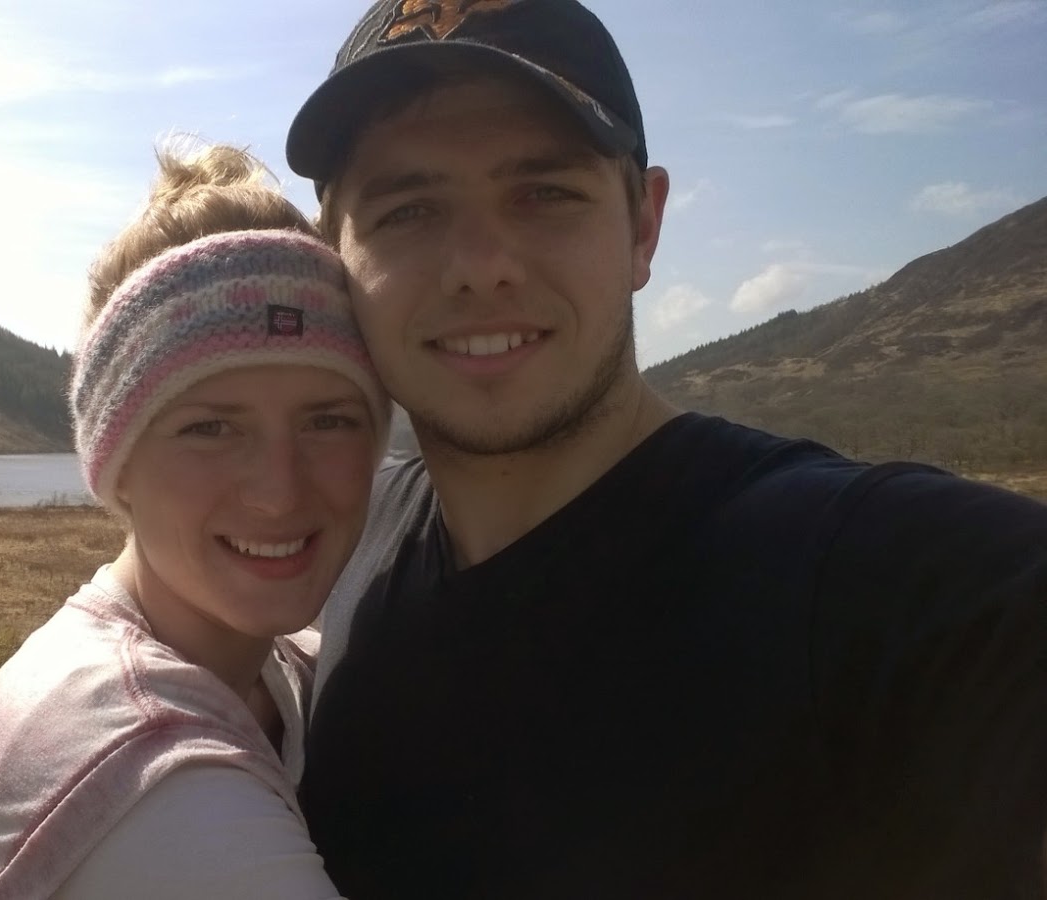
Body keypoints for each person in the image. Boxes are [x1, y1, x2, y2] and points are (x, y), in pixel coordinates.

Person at [282, 1, 1047, 898]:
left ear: (643, 227)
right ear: (334, 257)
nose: (481, 265)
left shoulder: (880, 576)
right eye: (408, 210)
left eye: (545, 194)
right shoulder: (347, 539)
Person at [0, 143, 389, 899]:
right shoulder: (153, 770)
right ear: (119, 463)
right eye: (210, 428)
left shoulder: (262, 671)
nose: (279, 492)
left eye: (328, 420)